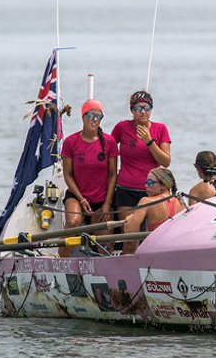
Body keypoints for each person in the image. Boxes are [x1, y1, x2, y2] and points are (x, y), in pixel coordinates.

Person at [111, 90, 172, 223]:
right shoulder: (122, 127)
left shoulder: (160, 129)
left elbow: (166, 162)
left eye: (147, 108)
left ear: (151, 109)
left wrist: (149, 142)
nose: (143, 111)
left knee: (150, 236)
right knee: (129, 237)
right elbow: (107, 150)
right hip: (126, 190)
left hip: (153, 191)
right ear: (132, 111)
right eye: (138, 108)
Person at [61, 99, 119, 232]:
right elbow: (67, 175)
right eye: (90, 115)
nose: (94, 119)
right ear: (83, 117)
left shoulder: (109, 142)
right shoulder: (70, 142)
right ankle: (62, 253)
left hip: (101, 200)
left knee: (106, 243)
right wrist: (81, 200)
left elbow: (112, 175)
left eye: (98, 116)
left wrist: (107, 204)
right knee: (72, 223)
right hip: (77, 196)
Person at [124, 167, 184, 252]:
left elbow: (130, 231)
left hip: (154, 250)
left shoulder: (146, 201)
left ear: (163, 185)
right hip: (175, 249)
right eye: (146, 182)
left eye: (150, 183)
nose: (145, 186)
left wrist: (129, 220)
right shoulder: (181, 202)